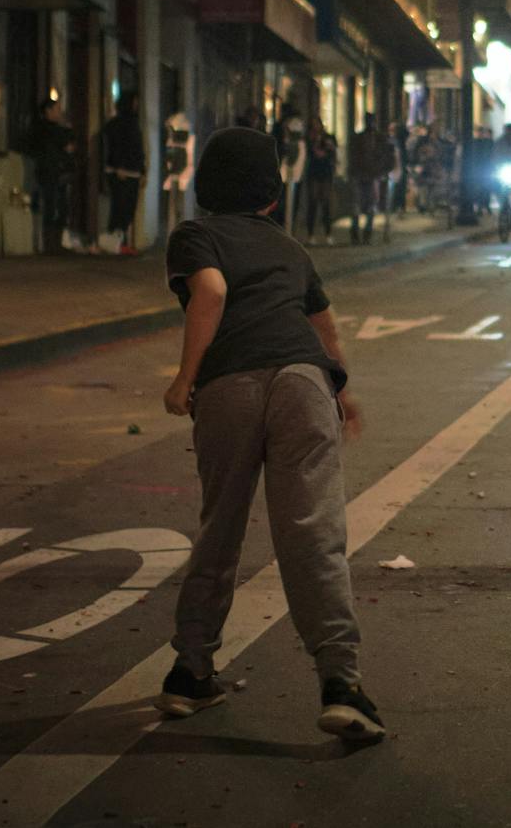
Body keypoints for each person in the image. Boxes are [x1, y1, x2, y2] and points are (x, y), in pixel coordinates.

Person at [158, 126, 383, 742]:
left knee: (220, 529)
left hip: (230, 387)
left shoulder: (194, 236)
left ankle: (189, 671)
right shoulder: (289, 247)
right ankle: (342, 685)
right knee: (313, 535)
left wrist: (185, 379)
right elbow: (324, 324)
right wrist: (340, 391)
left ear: (207, 184)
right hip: (303, 383)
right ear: (272, 193)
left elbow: (209, 289)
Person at [22, 97, 76, 254]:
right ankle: (51, 244)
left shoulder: (50, 129)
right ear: (48, 111)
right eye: (57, 109)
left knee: (61, 207)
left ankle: (56, 243)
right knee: (52, 206)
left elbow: (69, 144)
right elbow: (65, 142)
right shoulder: (45, 129)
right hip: (50, 172)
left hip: (58, 171)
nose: (60, 113)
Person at [103, 92, 145, 255]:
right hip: (120, 172)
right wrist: (118, 166)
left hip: (133, 172)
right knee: (119, 208)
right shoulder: (116, 124)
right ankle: (116, 242)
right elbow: (115, 146)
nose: (136, 105)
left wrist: (142, 171)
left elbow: (137, 149)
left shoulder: (134, 122)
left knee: (129, 208)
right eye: (134, 102)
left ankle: (121, 241)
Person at [348, 116, 393, 245]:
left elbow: (388, 156)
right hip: (359, 175)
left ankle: (367, 234)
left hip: (373, 176)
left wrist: (383, 171)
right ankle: (355, 234)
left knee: (371, 206)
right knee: (356, 205)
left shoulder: (381, 139)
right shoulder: (358, 139)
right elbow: (353, 157)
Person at [303, 117, 337, 244]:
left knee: (326, 204)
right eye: (313, 125)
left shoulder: (328, 137)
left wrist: (328, 149)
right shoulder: (309, 139)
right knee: (312, 203)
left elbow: (332, 151)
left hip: (326, 173)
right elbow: (308, 153)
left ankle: (328, 233)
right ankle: (311, 234)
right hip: (314, 173)